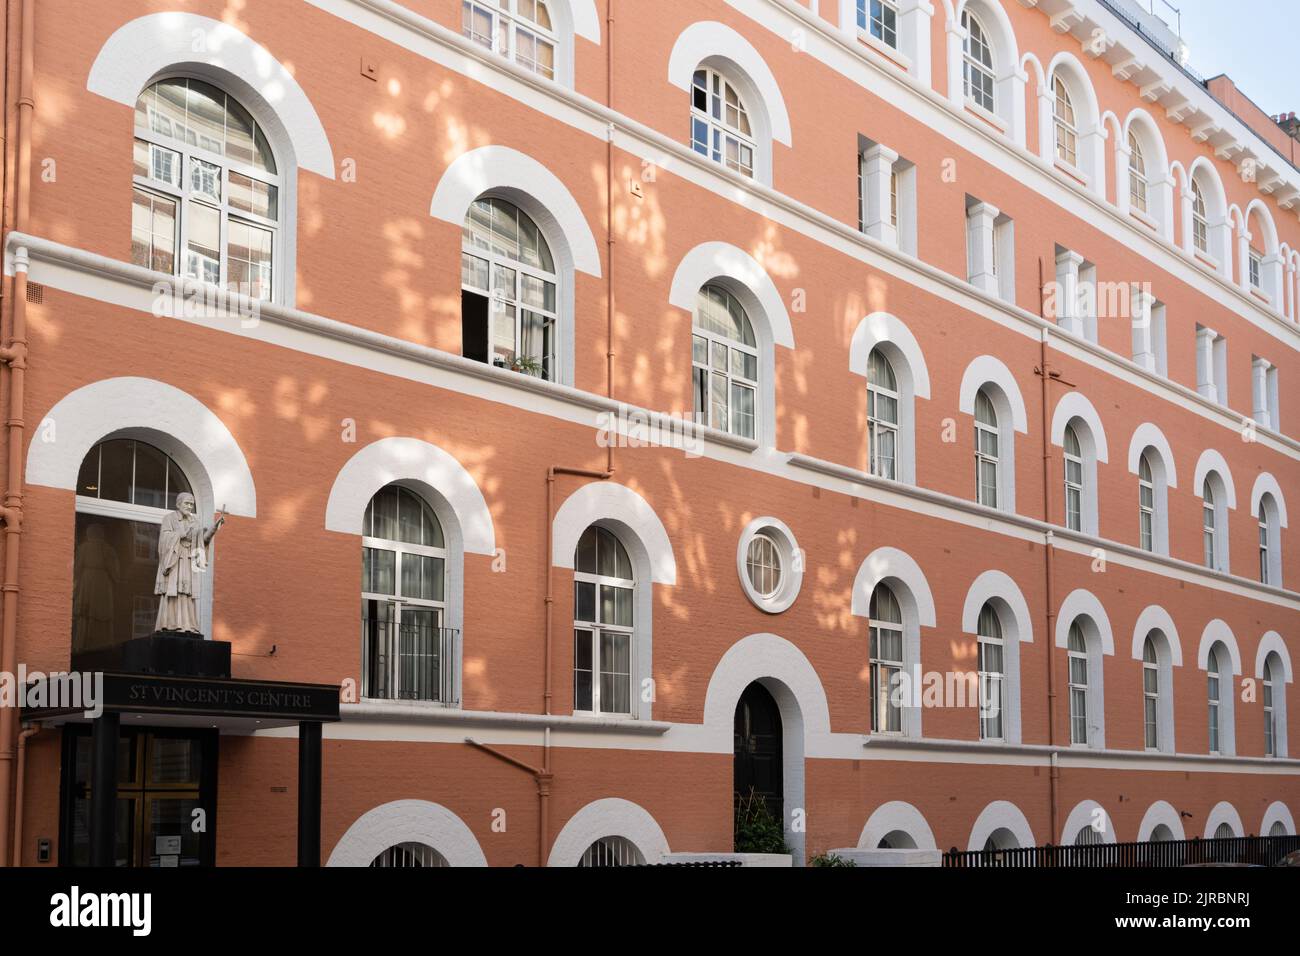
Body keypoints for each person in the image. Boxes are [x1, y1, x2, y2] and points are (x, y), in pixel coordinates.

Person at [154, 493, 224, 634]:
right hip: (174, 560)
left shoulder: (195, 521)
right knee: (173, 591)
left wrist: (214, 528)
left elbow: (202, 541)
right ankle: (169, 624)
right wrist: (181, 534)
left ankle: (187, 625)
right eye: (187, 503)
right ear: (178, 504)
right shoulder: (169, 519)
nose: (189, 506)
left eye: (191, 504)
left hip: (188, 560)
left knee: (186, 592)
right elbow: (164, 540)